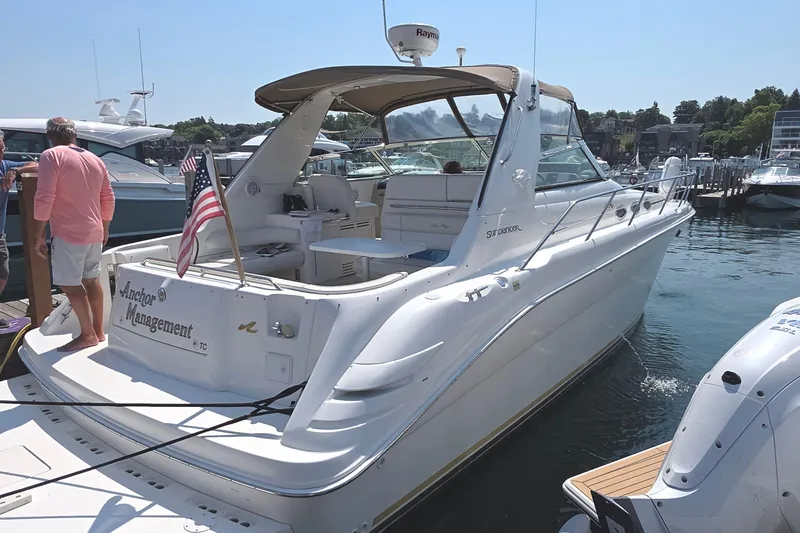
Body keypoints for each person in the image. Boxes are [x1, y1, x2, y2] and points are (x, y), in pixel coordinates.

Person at [34, 118, 115, 351]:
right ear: (74, 135)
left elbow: (44, 197)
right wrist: (105, 227)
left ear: (51, 135)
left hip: (69, 233)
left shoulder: (51, 156)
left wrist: (38, 235)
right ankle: (98, 332)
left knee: (70, 285)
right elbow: (108, 198)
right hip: (95, 231)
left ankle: (87, 334)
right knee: (91, 280)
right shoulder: (95, 159)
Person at [0, 130, 38, 327]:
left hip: (0, 235)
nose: (1, 153)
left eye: (2, 149)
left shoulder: (5, 165)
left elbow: (36, 165)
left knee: (3, 272)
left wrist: (16, 171)